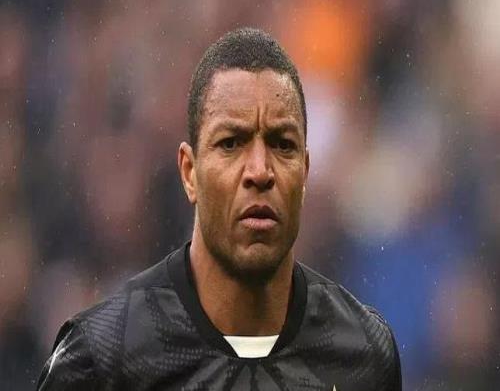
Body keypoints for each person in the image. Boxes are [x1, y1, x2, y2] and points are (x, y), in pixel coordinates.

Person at [37, 28, 402, 390]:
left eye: (282, 144)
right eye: (231, 143)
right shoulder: (102, 358)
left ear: (304, 172)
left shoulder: (364, 353)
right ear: (189, 173)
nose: (260, 171)